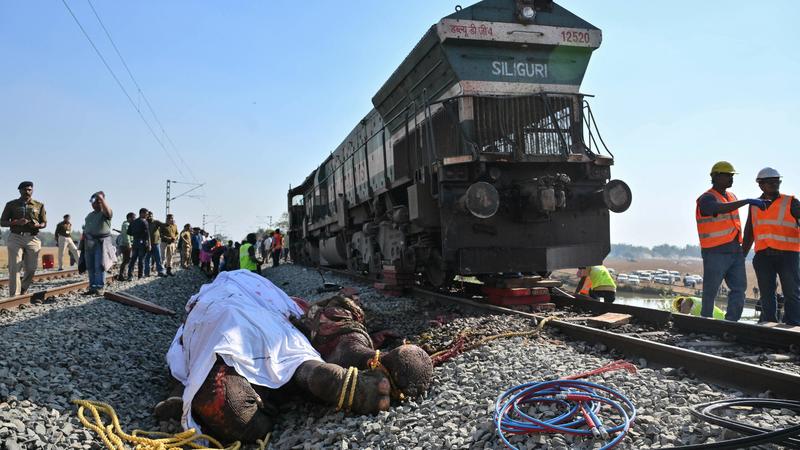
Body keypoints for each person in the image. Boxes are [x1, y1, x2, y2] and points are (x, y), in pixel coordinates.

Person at [158, 271, 431, 444]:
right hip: (264, 308)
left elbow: (180, 357)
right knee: (294, 339)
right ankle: (348, 359)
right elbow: (300, 312)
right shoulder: (259, 286)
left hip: (219, 316)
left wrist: (180, 390)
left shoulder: (203, 299)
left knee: (227, 376)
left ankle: (285, 387)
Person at [696, 161, 768, 321]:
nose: (731, 178)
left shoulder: (731, 196)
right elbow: (717, 208)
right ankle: (705, 322)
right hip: (715, 251)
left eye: (732, 175)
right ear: (715, 176)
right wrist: (747, 201)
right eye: (727, 175)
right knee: (711, 290)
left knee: (739, 289)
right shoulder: (706, 198)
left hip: (735, 250)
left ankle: (731, 323)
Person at [742, 167, 800, 325]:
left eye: (777, 181)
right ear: (760, 185)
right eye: (770, 182)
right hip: (763, 255)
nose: (775, 185)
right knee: (767, 293)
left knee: (792, 292)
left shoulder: (791, 202)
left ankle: (794, 324)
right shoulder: (754, 205)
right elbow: (749, 232)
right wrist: (741, 256)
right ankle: (768, 322)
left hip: (788, 255)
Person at [1, 181, 47, 297]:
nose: (27, 192)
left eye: (29, 190)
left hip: (32, 238)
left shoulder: (39, 205)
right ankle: (14, 296)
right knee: (14, 267)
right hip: (15, 237)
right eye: (25, 190)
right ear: (20, 190)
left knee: (31, 268)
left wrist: (38, 225)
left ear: (32, 190)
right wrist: (16, 222)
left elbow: (44, 223)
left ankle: (23, 288)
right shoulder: (11, 204)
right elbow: (2, 222)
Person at [82, 191, 115, 295]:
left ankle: (99, 287)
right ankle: (92, 286)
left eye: (97, 202)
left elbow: (109, 212)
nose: (94, 204)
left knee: (99, 265)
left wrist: (102, 198)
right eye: (93, 202)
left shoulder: (105, 213)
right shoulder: (89, 216)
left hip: (101, 243)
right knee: (90, 265)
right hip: (89, 242)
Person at [126, 208, 151, 280]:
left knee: (133, 259)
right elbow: (147, 234)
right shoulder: (144, 221)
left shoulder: (133, 222)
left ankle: (130, 276)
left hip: (135, 242)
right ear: (141, 213)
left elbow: (129, 232)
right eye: (146, 214)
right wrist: (149, 244)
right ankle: (140, 276)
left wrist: (136, 234)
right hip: (142, 242)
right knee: (141, 260)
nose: (147, 215)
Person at [145, 211, 166, 277]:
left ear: (152, 216)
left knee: (158, 258)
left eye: (150, 215)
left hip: (156, 243)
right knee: (147, 259)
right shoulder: (145, 222)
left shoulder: (156, 222)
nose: (149, 217)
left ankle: (160, 271)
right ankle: (146, 273)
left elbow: (164, 225)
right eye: (148, 215)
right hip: (147, 244)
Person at [116, 212, 134, 281]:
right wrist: (129, 244)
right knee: (126, 260)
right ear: (129, 218)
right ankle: (121, 275)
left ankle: (123, 274)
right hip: (126, 245)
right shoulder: (126, 225)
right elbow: (126, 235)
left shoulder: (127, 224)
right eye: (133, 217)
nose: (134, 219)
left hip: (125, 244)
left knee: (126, 260)